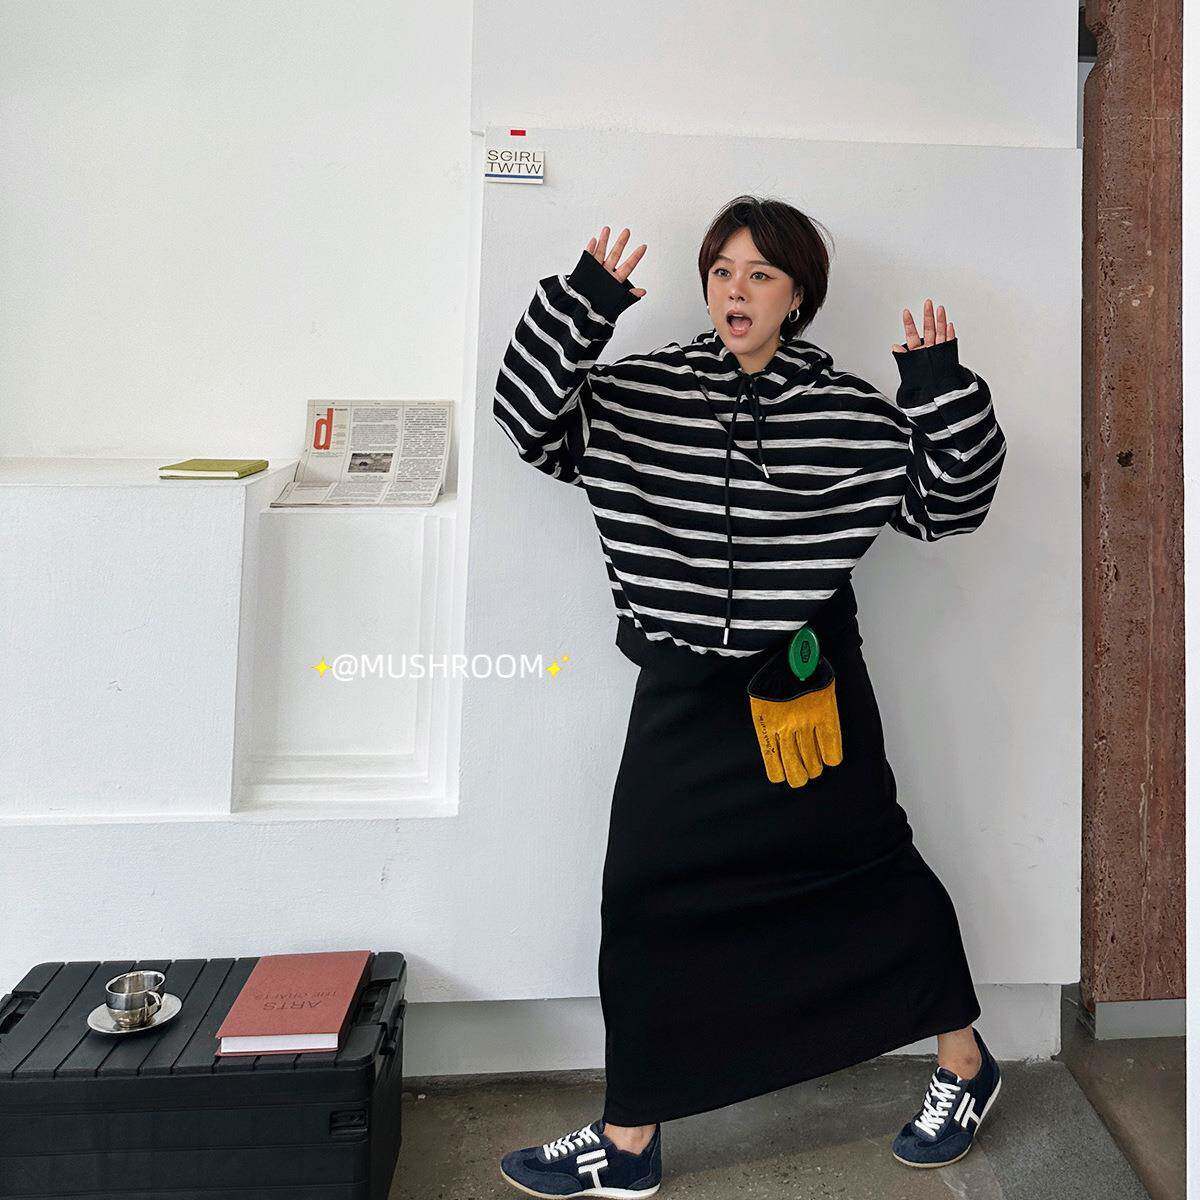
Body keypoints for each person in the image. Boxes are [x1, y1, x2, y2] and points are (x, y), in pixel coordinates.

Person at [493, 195, 1006, 1198]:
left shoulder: (848, 413)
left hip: (807, 684)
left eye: (761, 274)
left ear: (796, 296)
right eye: (722, 270)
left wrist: (939, 390)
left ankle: (965, 1063)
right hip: (685, 690)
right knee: (643, 899)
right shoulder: (639, 395)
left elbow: (951, 504)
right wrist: (583, 301)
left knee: (868, 875)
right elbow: (529, 418)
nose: (737, 290)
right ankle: (628, 1142)